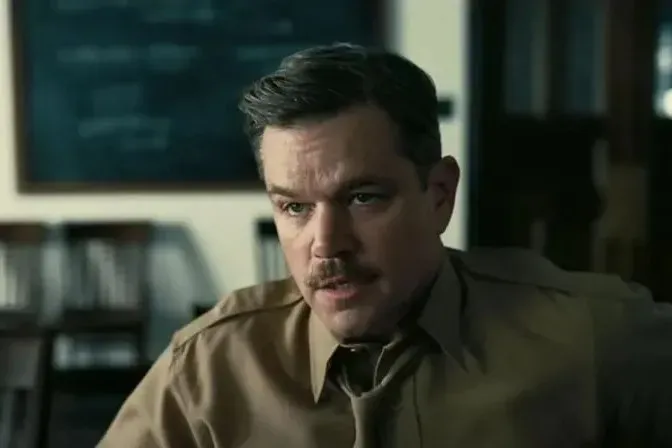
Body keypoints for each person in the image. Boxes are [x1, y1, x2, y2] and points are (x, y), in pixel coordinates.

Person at [98, 43, 672, 447]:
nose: (326, 246)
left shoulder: (593, 337)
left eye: (363, 197)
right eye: (294, 207)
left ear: (439, 195)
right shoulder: (210, 368)